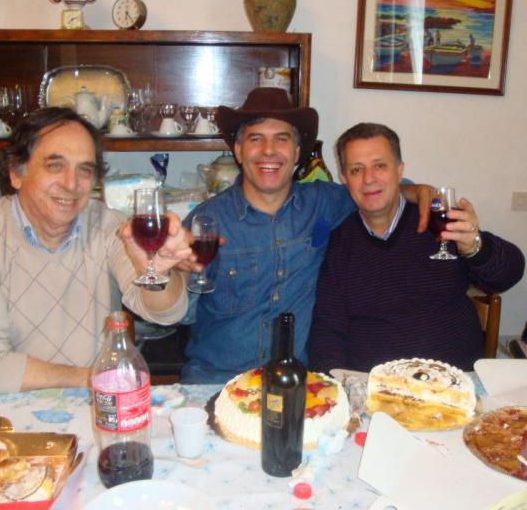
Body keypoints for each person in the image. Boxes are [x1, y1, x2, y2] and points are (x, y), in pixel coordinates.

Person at [179, 88, 431, 384]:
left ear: (297, 152)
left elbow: (372, 190)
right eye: (256, 138)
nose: (269, 150)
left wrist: (415, 190)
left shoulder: (324, 202)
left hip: (298, 384)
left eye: (281, 139)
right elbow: (175, 311)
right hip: (217, 381)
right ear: (238, 150)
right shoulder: (206, 222)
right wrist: (169, 274)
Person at [0, 107, 190, 394]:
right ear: (16, 172)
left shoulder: (110, 227)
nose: (71, 184)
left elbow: (166, 313)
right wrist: (94, 378)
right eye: (55, 166)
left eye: (85, 170)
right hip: (8, 410)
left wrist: (157, 272)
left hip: (95, 406)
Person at [308, 123, 525, 373]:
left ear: (400, 171)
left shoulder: (439, 220)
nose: (368, 179)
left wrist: (475, 247)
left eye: (380, 166)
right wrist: (337, 382)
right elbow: (327, 331)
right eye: (356, 169)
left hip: (455, 382)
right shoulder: (339, 242)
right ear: (344, 178)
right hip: (374, 387)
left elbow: (509, 275)